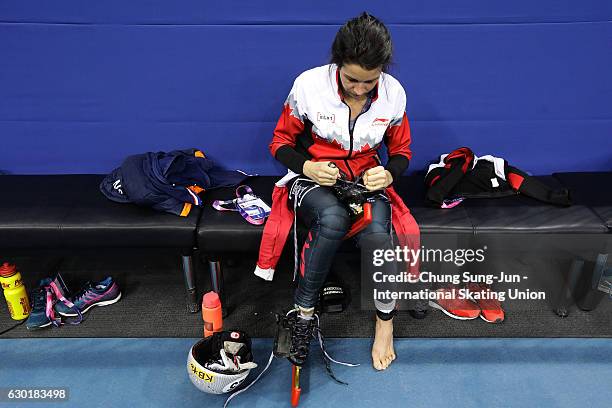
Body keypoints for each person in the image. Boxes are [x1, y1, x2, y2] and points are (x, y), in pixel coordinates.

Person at [254, 12, 420, 371]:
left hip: (363, 180)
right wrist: (306, 166)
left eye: (369, 82)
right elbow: (280, 142)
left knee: (378, 234)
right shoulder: (308, 86)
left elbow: (403, 152)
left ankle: (385, 324)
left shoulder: (394, 94)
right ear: (337, 64)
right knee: (333, 217)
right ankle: (303, 315)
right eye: (352, 80)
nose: (360, 89)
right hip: (313, 178)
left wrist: (389, 174)